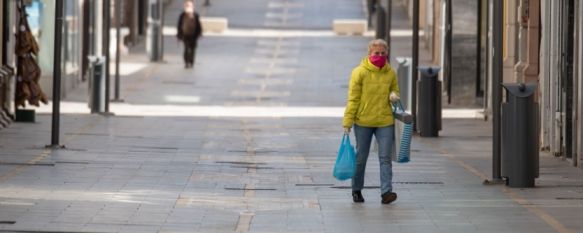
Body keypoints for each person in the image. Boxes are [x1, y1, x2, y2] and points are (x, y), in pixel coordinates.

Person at [342, 39, 400, 204]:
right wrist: (347, 122)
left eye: (383, 53)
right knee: (361, 158)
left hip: (385, 121)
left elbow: (395, 89)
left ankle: (386, 192)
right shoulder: (359, 72)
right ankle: (357, 189)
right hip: (363, 121)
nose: (380, 56)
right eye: (376, 53)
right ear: (369, 54)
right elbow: (353, 99)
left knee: (385, 158)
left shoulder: (390, 73)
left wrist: (394, 95)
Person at [177, 0, 202, 68]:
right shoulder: (195, 14)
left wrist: (179, 35)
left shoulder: (183, 15)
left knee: (187, 48)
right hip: (191, 35)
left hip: (189, 35)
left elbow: (179, 25)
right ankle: (190, 62)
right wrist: (199, 33)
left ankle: (188, 62)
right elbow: (198, 25)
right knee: (191, 49)